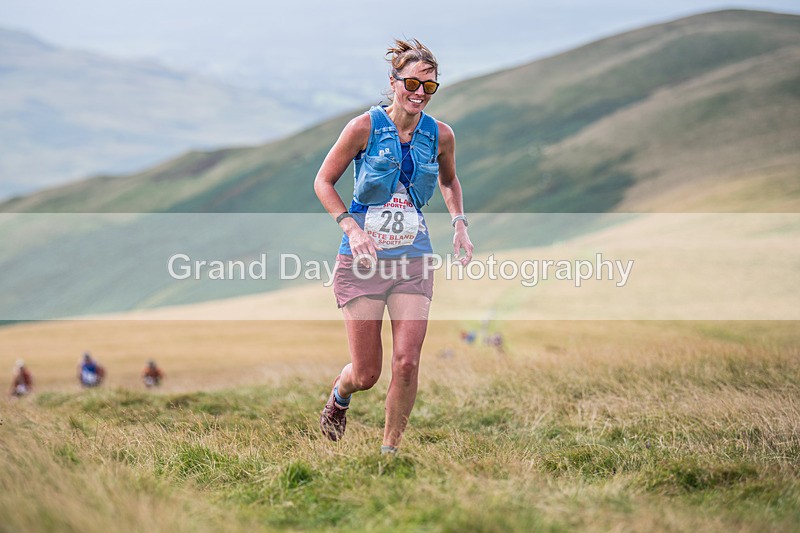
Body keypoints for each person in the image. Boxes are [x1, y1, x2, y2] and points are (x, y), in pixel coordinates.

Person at [314, 38, 473, 454]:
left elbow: (449, 180)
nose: (420, 93)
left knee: (407, 362)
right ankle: (339, 397)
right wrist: (351, 228)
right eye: (412, 84)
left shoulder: (440, 134)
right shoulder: (363, 127)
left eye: (430, 87)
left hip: (413, 258)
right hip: (363, 260)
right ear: (394, 81)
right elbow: (323, 182)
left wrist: (459, 224)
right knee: (366, 373)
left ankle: (390, 453)